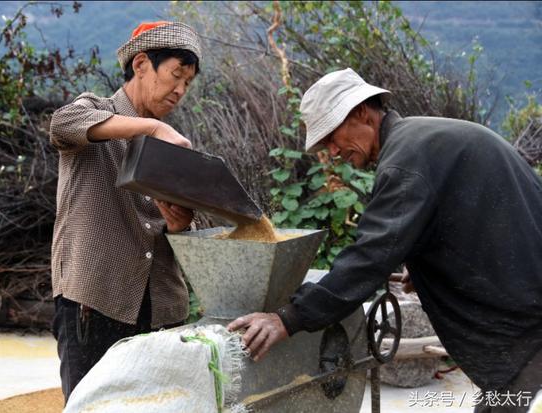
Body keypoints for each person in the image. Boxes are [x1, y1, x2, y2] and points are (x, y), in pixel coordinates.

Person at [229, 68, 542, 412]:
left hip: (524, 318)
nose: (333, 152)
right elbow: (472, 215)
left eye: (332, 138)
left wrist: (287, 318)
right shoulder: (426, 136)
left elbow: (370, 257)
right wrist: (426, 260)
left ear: (362, 113)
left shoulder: (404, 161)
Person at [48, 21, 201, 402]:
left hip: (163, 311)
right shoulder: (94, 112)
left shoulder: (173, 144)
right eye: (176, 74)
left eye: (189, 82)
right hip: (95, 302)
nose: (180, 90)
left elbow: (199, 229)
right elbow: (61, 124)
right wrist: (149, 129)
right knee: (92, 407)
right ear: (141, 64)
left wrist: (181, 225)